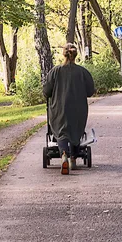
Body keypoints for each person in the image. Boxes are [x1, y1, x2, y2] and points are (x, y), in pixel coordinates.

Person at [43, 43, 96, 175]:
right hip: (78, 108)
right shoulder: (83, 72)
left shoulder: (55, 71)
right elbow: (90, 91)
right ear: (75, 54)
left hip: (59, 108)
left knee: (61, 132)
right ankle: (73, 158)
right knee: (76, 130)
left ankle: (64, 154)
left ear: (63, 54)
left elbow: (46, 91)